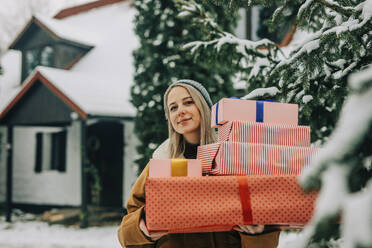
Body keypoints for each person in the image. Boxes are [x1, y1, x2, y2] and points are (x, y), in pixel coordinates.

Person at [118, 79, 280, 248]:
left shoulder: (233, 157)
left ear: (203, 107)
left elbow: (265, 215)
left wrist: (258, 234)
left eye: (188, 102)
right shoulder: (160, 162)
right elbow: (126, 231)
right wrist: (142, 228)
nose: (180, 111)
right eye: (173, 107)